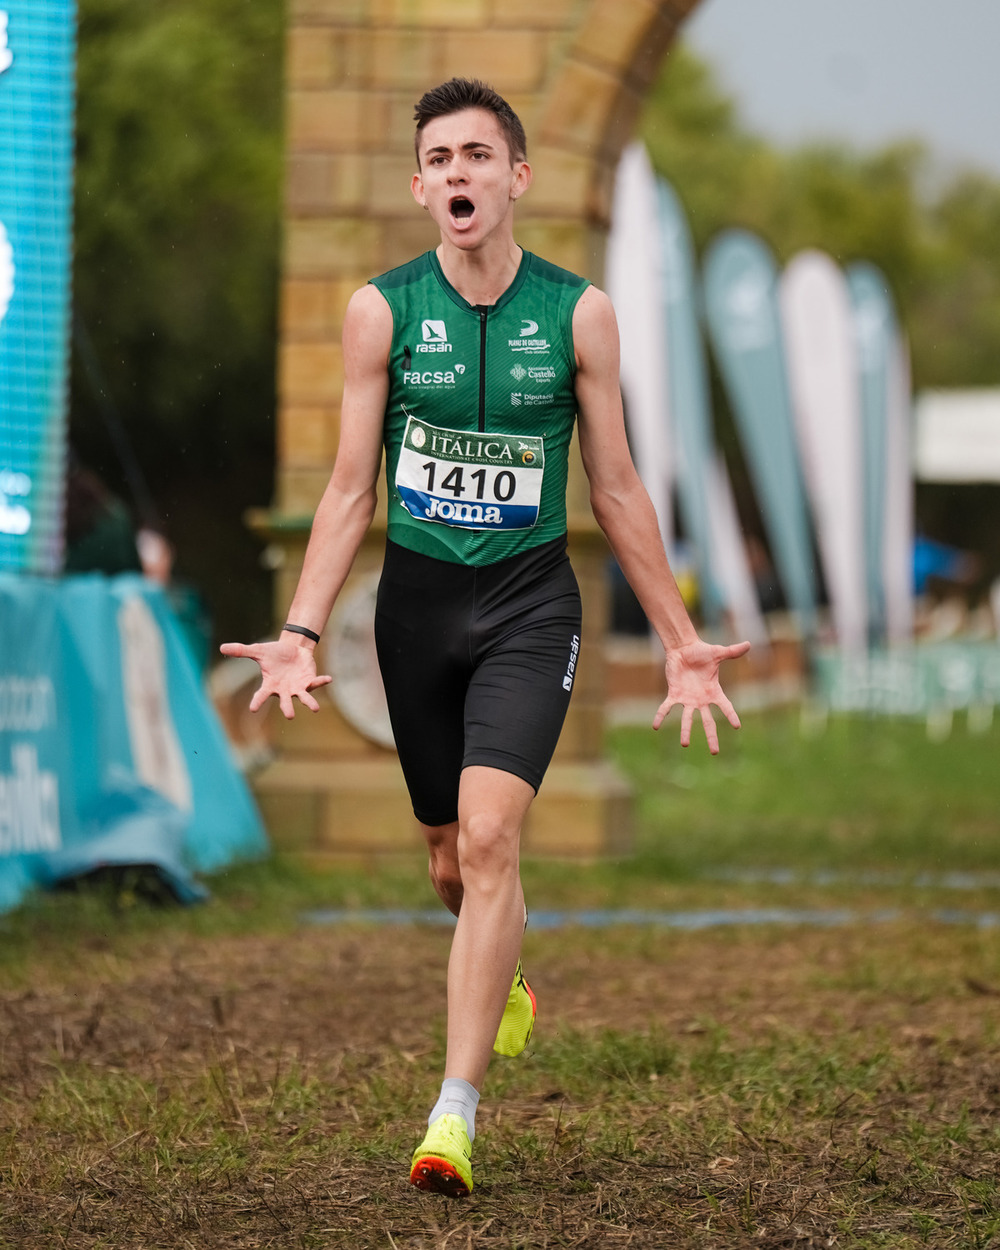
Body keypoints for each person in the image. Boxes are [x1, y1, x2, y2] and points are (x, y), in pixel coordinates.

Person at [221, 78, 750, 1198]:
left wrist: (678, 636)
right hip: (415, 607)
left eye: (478, 154)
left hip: (527, 605)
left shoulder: (578, 313)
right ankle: (495, 965)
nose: (459, 172)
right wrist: (301, 627)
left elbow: (611, 486)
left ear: (518, 176)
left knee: (495, 835)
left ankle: (452, 1112)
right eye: (439, 159)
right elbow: (348, 491)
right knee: (449, 859)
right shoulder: (380, 310)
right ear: (420, 188)